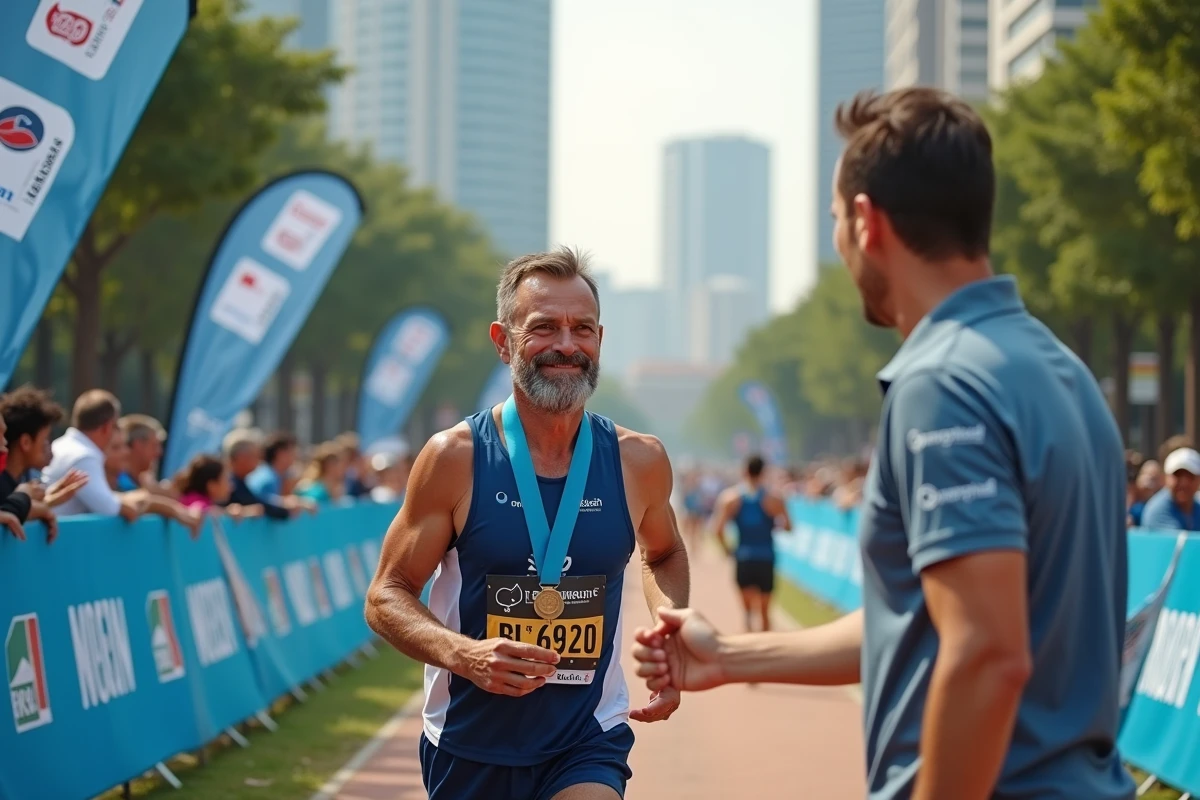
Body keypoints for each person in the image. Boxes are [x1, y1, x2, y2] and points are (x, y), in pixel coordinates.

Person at [632, 88, 1136, 800]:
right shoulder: (1061, 371)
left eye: (835, 221)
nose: (838, 242)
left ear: (867, 224)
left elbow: (987, 652)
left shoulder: (942, 383)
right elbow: (929, 616)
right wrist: (735, 656)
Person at [366, 247, 690, 800]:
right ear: (503, 341)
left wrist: (671, 626)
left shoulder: (639, 460)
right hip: (469, 743)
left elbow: (663, 554)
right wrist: (463, 654)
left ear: (599, 340)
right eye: (544, 328)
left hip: (587, 734)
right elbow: (386, 596)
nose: (566, 345)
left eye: (581, 328)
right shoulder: (455, 457)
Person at [710, 454, 791, 633]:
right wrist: (774, 524)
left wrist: (727, 550)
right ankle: (765, 651)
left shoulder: (731, 498)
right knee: (764, 613)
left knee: (747, 612)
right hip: (766, 558)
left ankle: (748, 647)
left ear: (744, 471)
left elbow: (717, 529)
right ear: (763, 472)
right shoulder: (774, 499)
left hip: (744, 557)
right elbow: (789, 527)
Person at [43, 390, 144, 520]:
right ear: (107, 427)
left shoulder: (61, 444)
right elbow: (109, 508)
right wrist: (132, 509)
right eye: (115, 426)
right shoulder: (84, 456)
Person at [222, 429, 288, 520]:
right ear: (241, 457)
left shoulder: (240, 481)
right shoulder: (228, 483)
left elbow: (259, 503)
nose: (259, 460)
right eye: (255, 455)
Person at [174, 454, 261, 519]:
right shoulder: (196, 501)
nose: (232, 486)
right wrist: (226, 513)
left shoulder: (198, 499)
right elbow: (198, 510)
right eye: (226, 480)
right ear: (212, 486)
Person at [1138, 447, 1200, 532]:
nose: (1184, 483)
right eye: (1177, 475)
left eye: (1190, 476)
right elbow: (1180, 543)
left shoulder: (1197, 505)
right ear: (1165, 478)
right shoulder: (1158, 511)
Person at [117, 415, 173, 496]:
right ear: (138, 445)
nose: (159, 452)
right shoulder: (116, 481)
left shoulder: (141, 483)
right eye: (154, 446)